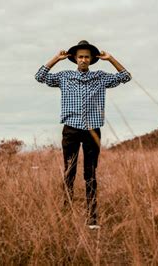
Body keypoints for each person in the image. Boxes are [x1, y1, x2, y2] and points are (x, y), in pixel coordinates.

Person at [34, 40, 132, 229]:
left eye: (87, 56)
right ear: (75, 59)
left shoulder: (100, 77)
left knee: (90, 173)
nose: (84, 59)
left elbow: (125, 76)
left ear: (92, 59)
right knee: (69, 171)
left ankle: (92, 217)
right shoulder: (64, 76)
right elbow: (40, 76)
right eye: (80, 56)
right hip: (70, 129)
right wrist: (57, 58)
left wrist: (111, 59)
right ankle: (66, 213)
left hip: (92, 130)